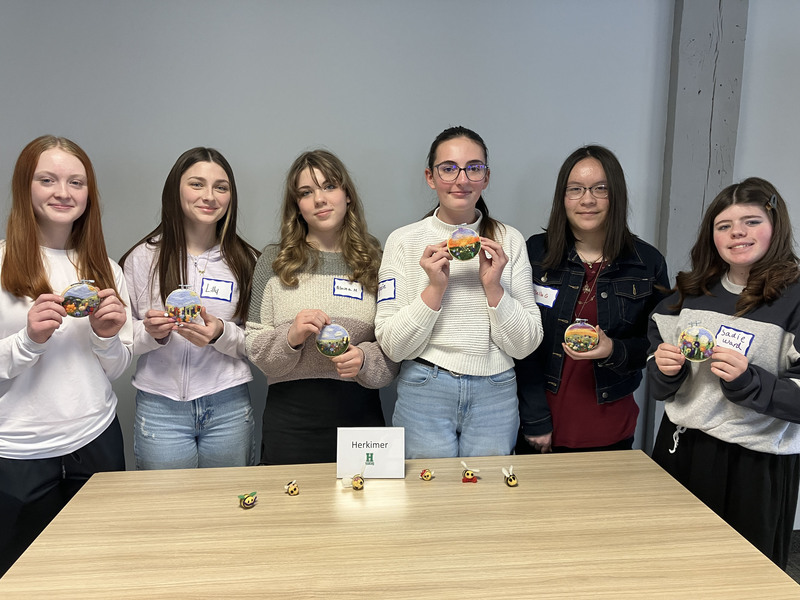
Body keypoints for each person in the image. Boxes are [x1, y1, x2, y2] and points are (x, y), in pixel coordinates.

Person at [648, 177, 800, 569]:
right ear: (711, 235)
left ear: (775, 225)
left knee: (744, 573)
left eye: (750, 221)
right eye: (724, 225)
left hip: (757, 463)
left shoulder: (795, 300)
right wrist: (665, 371)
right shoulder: (689, 294)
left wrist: (749, 382)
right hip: (683, 448)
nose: (737, 233)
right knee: (671, 563)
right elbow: (658, 381)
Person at [0, 135, 132, 576]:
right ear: (25, 186)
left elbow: (115, 368)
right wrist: (27, 342)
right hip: (18, 452)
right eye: (47, 179)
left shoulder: (105, 268)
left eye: (76, 182)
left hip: (96, 439)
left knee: (100, 567)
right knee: (24, 575)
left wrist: (106, 337)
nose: (63, 192)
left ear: (88, 193)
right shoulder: (1, 263)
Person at [374, 125, 543, 459]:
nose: (461, 179)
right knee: (427, 497)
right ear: (430, 177)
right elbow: (392, 346)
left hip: (496, 390)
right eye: (448, 168)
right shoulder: (403, 241)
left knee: (488, 500)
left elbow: (525, 345)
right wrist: (434, 289)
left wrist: (493, 288)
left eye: (474, 168)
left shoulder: (510, 240)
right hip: (425, 385)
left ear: (486, 177)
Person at [245, 149, 397, 465]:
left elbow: (395, 348)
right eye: (306, 192)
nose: (319, 199)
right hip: (290, 422)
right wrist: (291, 337)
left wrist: (365, 360)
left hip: (361, 417)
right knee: (292, 511)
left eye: (329, 186)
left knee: (366, 511)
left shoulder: (377, 262)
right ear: (297, 207)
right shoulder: (273, 263)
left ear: (347, 196)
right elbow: (254, 347)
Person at [516, 145, 669, 453]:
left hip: (611, 427)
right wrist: (534, 420)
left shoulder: (647, 263)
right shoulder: (534, 254)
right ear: (563, 197)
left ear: (617, 195)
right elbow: (520, 346)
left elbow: (658, 348)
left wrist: (613, 349)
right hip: (541, 425)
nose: (587, 200)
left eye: (601, 188)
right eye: (576, 189)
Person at [120, 147, 259, 469]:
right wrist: (152, 334)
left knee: (228, 506)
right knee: (167, 511)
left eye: (221, 187)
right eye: (196, 184)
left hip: (228, 404)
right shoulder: (142, 258)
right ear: (175, 191)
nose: (209, 196)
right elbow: (121, 339)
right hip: (160, 408)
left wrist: (220, 335)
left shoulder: (246, 261)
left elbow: (257, 342)